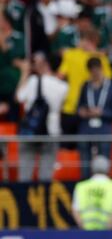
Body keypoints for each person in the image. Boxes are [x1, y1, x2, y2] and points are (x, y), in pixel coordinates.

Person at [15, 53, 68, 182]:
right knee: (46, 177)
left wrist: (24, 73)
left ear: (46, 64)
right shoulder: (63, 86)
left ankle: (23, 196)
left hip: (30, 130)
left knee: (25, 176)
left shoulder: (33, 81)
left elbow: (18, 97)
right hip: (52, 131)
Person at [77, 57, 112, 178]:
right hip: (87, 128)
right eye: (92, 71)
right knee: (85, 161)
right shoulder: (85, 86)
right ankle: (85, 182)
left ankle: (104, 181)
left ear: (101, 69)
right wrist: (82, 112)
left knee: (104, 160)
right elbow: (79, 107)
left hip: (104, 128)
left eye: (97, 70)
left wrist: (102, 112)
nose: (95, 74)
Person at [71, 155, 112, 230]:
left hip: (86, 232)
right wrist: (106, 230)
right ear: (108, 169)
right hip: (108, 233)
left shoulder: (81, 186)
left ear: (92, 169)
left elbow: (75, 210)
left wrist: (84, 229)